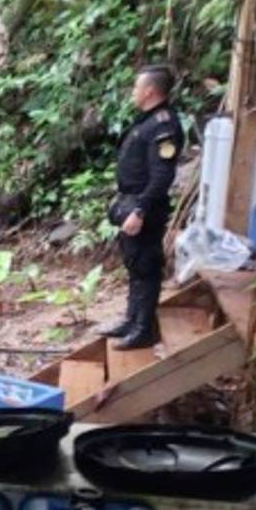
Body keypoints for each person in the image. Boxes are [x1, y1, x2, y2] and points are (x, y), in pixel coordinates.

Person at [99, 65, 185, 350]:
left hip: (144, 205)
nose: (133, 92)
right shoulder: (146, 121)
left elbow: (162, 175)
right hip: (131, 200)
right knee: (134, 263)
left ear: (150, 91)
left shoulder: (163, 125)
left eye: (136, 87)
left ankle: (143, 329)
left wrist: (140, 211)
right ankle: (132, 319)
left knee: (146, 266)